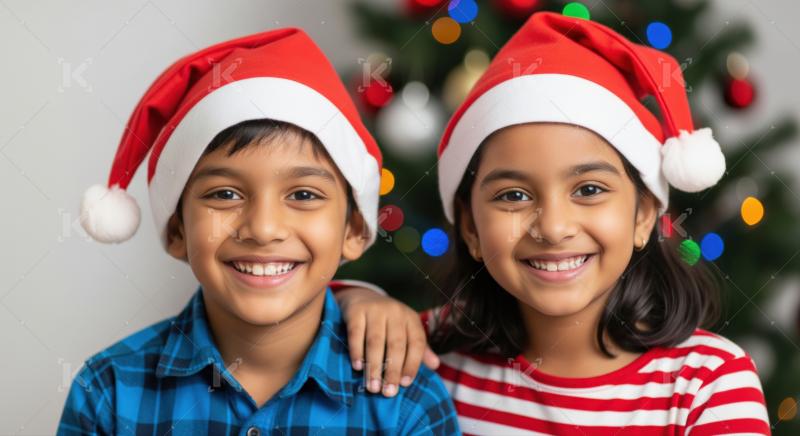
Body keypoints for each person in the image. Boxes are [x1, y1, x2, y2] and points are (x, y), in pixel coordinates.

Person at [333, 12, 771, 434]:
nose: (554, 227)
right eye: (514, 196)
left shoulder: (707, 385)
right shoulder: (426, 353)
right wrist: (358, 301)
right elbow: (298, 331)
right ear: (470, 227)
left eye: (589, 190)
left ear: (643, 214)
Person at [58, 28, 459, 435]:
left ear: (355, 229)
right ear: (177, 230)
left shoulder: (408, 404)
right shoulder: (108, 391)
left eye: (303, 194)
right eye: (225, 193)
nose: (263, 228)